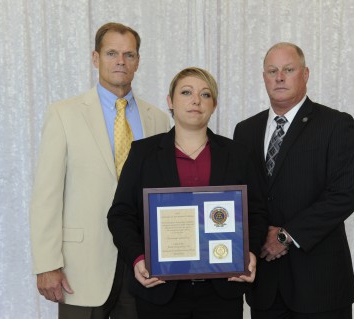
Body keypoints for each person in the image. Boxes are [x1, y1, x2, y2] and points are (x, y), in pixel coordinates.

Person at [29, 22, 170, 318]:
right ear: (95, 58)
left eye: (129, 54)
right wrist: (46, 264)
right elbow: (47, 194)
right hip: (79, 269)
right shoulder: (64, 114)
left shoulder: (157, 119)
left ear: (138, 61)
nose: (121, 61)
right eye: (112, 53)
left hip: (141, 265)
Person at [107, 67, 268, 319]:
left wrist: (250, 252)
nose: (196, 100)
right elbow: (120, 215)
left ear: (213, 105)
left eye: (205, 95)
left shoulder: (238, 154)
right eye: (186, 92)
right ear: (170, 101)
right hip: (160, 290)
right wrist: (138, 258)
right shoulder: (143, 154)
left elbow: (257, 212)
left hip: (222, 289)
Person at [233, 42, 354, 319]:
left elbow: (343, 195)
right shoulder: (245, 131)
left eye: (288, 70)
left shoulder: (336, 124)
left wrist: (284, 236)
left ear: (305, 74)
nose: (279, 77)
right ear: (264, 76)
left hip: (320, 283)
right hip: (265, 285)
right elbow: (240, 196)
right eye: (272, 70)